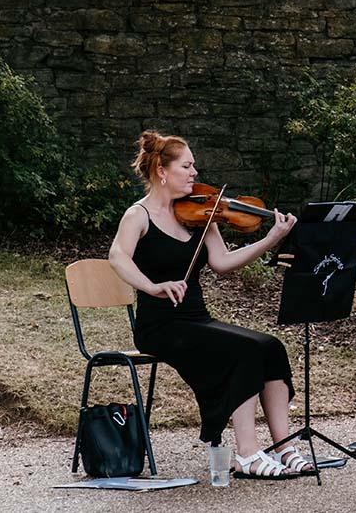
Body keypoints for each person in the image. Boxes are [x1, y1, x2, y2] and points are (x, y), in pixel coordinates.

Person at [108, 131, 311, 479]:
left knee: (270, 347)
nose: (194, 173)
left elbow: (222, 262)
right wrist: (153, 286)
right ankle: (246, 453)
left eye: (193, 166)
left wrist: (270, 238)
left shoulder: (201, 213)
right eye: (186, 166)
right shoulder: (138, 215)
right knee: (244, 351)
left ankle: (285, 447)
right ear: (161, 170)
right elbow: (117, 257)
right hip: (160, 326)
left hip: (196, 319)